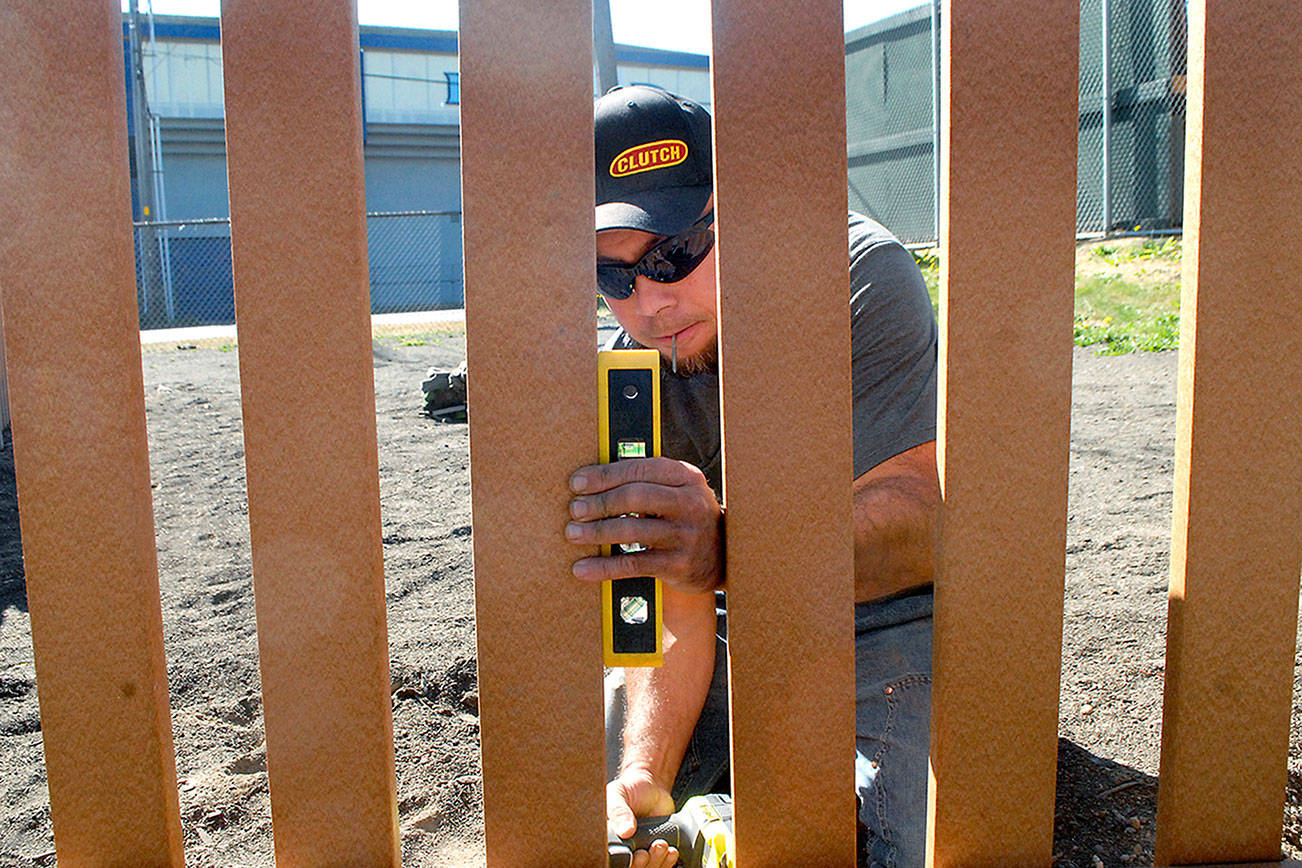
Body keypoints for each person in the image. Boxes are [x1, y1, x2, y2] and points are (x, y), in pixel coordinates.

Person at [564, 85, 940, 868]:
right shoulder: (629, 370)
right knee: (599, 819)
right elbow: (677, 606)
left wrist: (729, 547)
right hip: (735, 618)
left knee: (874, 842)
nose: (652, 303)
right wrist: (643, 772)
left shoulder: (860, 280)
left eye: (673, 255)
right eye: (615, 278)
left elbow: (916, 523)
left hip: (884, 615)